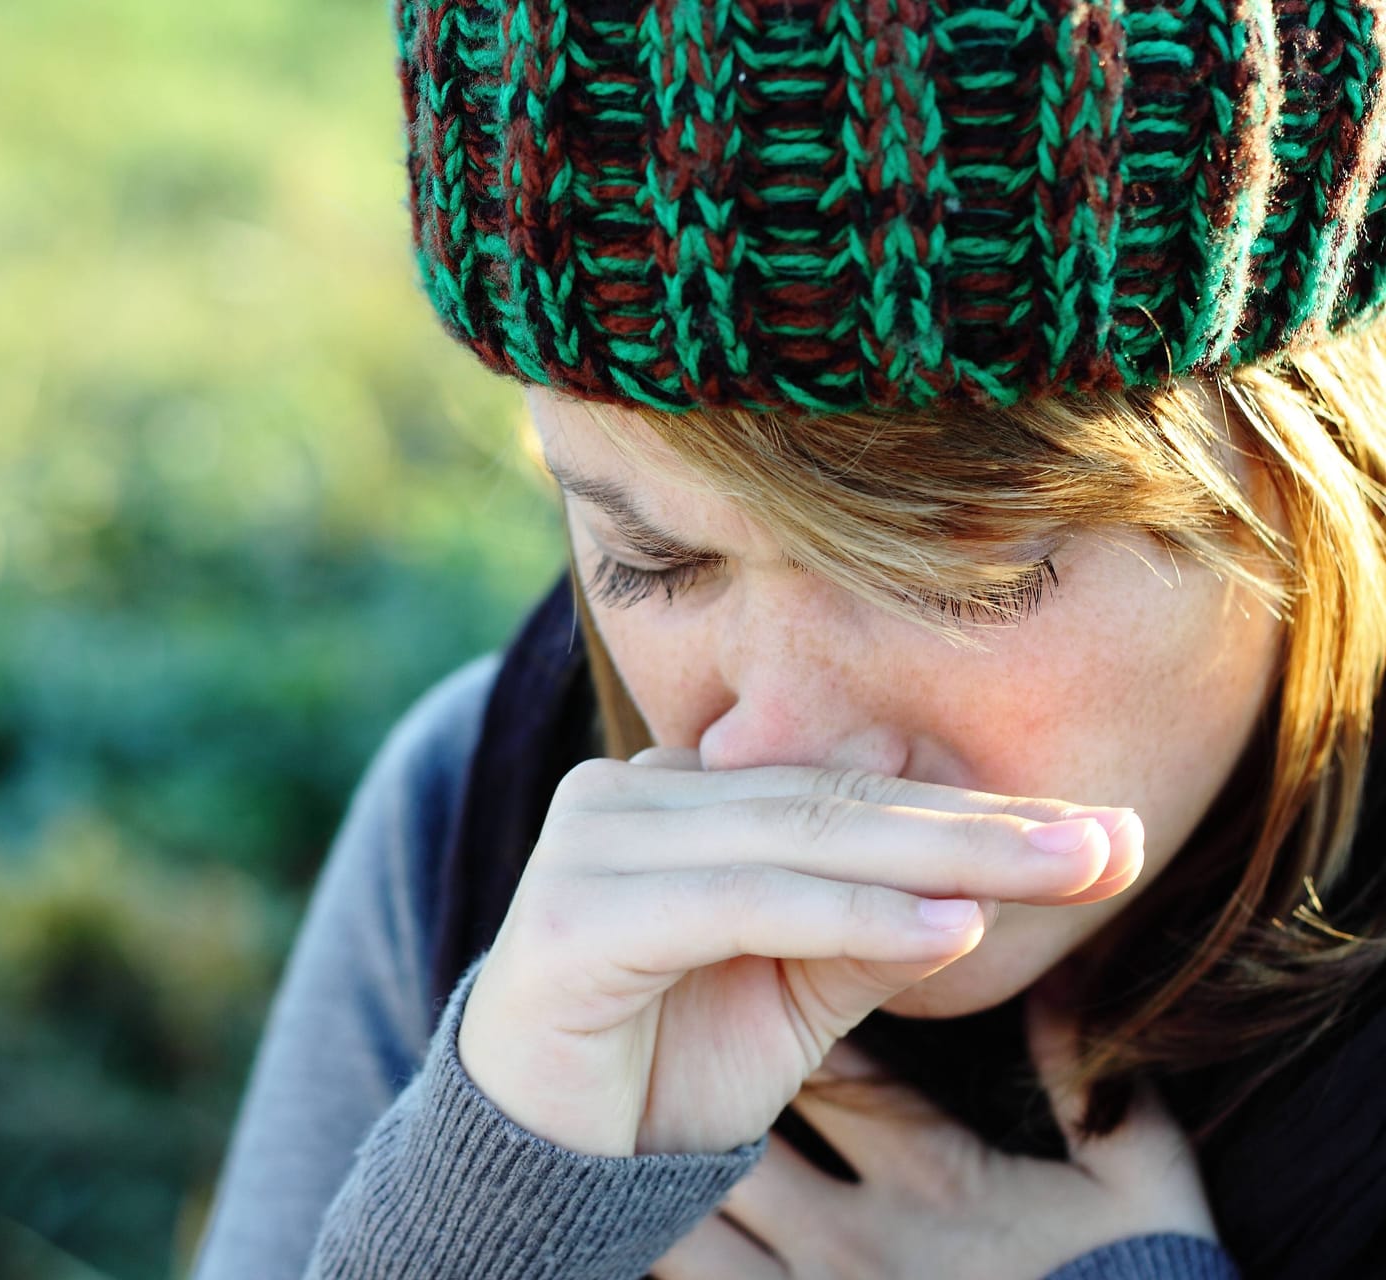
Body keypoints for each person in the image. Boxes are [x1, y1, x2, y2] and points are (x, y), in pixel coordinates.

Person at [190, 1, 1386, 1276]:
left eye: (955, 576)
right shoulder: (466, 830)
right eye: (651, 560)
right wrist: (476, 1228)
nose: (770, 746)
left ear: (1288, 455)